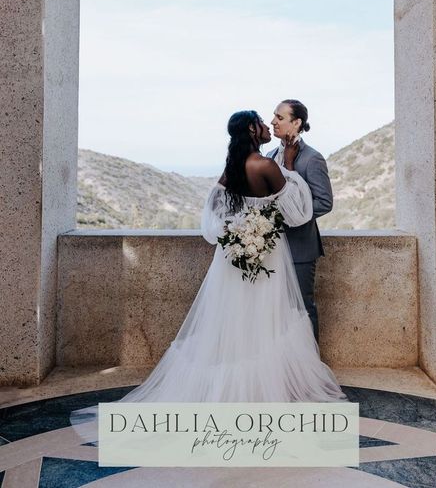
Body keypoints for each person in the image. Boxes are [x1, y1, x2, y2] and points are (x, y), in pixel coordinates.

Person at [70, 110, 346, 443]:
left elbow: (212, 216)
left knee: (233, 322)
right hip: (268, 253)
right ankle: (270, 391)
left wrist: (239, 233)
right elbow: (298, 211)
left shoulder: (231, 171)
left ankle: (228, 390)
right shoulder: (268, 166)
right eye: (262, 121)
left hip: (231, 259)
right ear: (251, 129)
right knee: (268, 320)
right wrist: (288, 169)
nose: (267, 125)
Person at [268, 100, 332, 343]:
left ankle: (310, 366)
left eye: (280, 117)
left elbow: (324, 202)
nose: (273, 121)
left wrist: (290, 215)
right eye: (274, 116)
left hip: (300, 249)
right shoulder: (271, 155)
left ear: (297, 123)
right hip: (272, 249)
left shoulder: (312, 159)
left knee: (302, 308)